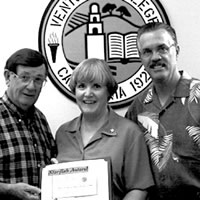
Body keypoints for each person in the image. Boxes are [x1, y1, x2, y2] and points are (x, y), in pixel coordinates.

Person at [55, 58, 154, 200]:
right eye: (82, 86)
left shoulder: (130, 133)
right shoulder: (62, 133)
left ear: (108, 91)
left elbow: (139, 188)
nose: (88, 93)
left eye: (96, 86)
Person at [125, 22, 200, 200]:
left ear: (177, 51)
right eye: (147, 51)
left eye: (162, 48)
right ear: (141, 58)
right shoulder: (138, 108)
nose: (155, 57)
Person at [0, 48, 57, 200]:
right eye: (24, 77)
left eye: (38, 79)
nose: (31, 86)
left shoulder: (41, 120)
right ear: (8, 77)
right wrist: (7, 189)